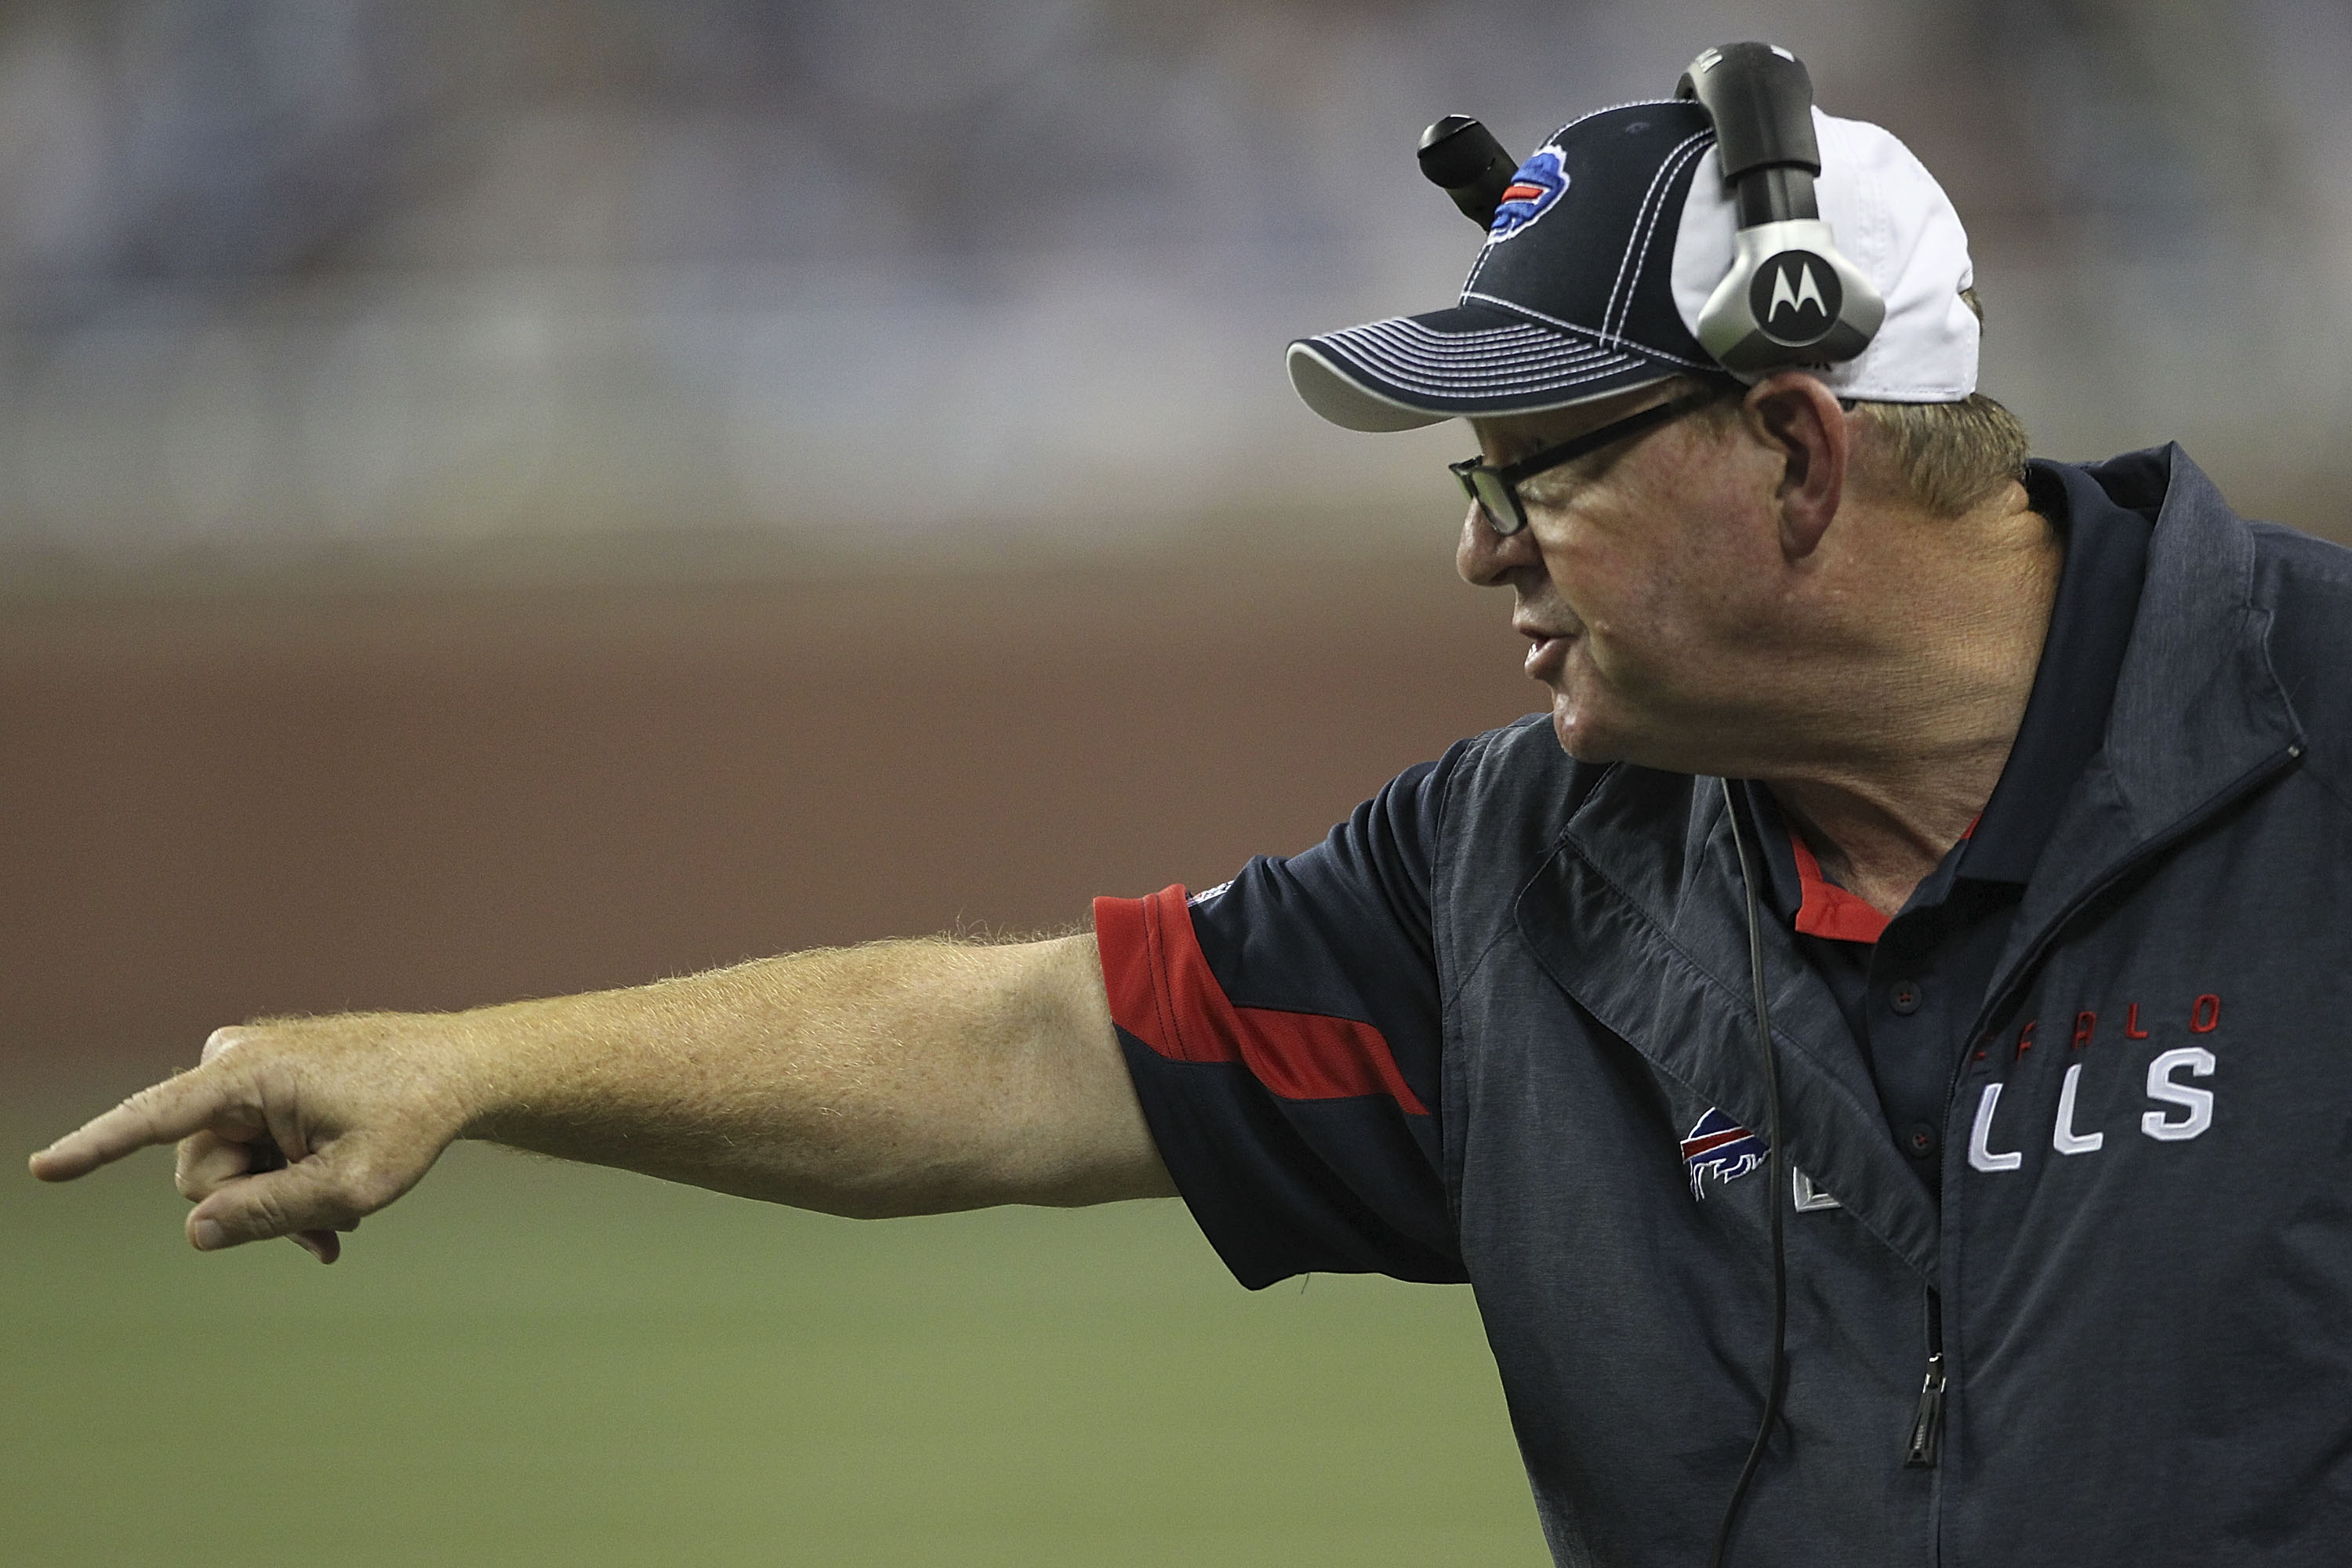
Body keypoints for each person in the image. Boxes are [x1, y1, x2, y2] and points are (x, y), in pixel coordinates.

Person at [31, 78, 2352, 1568]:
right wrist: (481, 1063)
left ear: (1800, 452)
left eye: (1532, 477)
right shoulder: (1514, 877)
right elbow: (1025, 1043)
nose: (1480, 555)